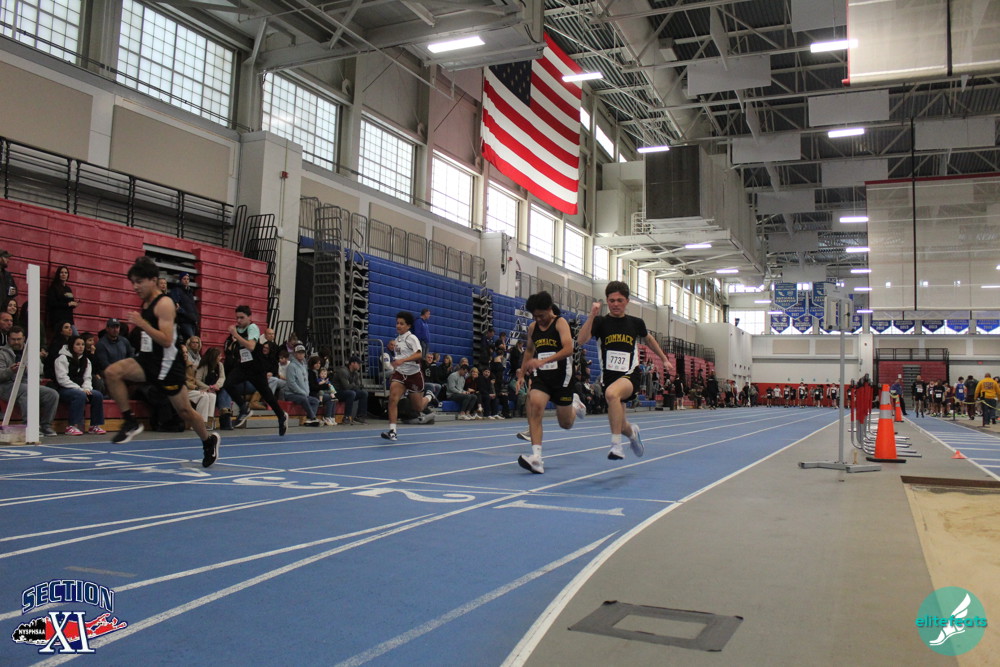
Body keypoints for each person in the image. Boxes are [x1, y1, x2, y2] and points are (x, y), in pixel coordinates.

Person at [102, 257, 220, 465]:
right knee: (112, 372)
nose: (135, 287)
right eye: (133, 282)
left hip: (168, 367)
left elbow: (166, 340)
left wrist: (142, 324)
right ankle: (129, 421)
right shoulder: (147, 302)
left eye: (139, 282)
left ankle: (208, 440)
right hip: (148, 360)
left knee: (184, 411)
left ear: (153, 280)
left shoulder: (164, 304)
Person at [577, 281, 672, 462]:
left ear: (627, 301)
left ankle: (616, 445)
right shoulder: (600, 322)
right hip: (609, 377)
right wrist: (592, 315)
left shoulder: (635, 323)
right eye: (611, 301)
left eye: (619, 300)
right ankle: (632, 433)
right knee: (620, 424)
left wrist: (664, 359)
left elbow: (649, 340)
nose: (615, 304)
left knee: (612, 394)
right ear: (607, 301)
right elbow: (581, 340)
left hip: (629, 374)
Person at [514, 291, 585, 474]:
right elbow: (529, 351)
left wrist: (544, 360)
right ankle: (536, 458)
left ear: (549, 309)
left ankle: (575, 405)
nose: (539, 320)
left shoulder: (560, 323)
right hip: (542, 376)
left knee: (566, 424)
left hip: (562, 377)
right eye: (535, 316)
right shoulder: (533, 328)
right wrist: (521, 374)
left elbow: (568, 349)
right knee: (535, 404)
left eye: (541, 315)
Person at [222, 305, 287, 435]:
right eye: (237, 318)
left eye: (242, 317)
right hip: (243, 365)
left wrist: (235, 335)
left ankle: (281, 416)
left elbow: (251, 346)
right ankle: (244, 407)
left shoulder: (253, 328)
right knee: (228, 384)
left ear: (249, 317)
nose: (239, 320)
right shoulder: (237, 329)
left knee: (267, 394)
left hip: (256, 367)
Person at [381, 311, 432, 441]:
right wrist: (396, 367)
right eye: (397, 323)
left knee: (418, 407)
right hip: (400, 374)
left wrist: (403, 360)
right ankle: (392, 431)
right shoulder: (397, 340)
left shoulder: (412, 338)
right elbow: (399, 357)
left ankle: (429, 396)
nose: (398, 326)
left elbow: (419, 354)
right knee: (392, 399)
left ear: (408, 326)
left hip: (414, 375)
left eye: (402, 324)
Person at [0, 326, 59, 436]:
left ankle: (46, 425)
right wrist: (10, 370)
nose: (16, 342)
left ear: (24, 339)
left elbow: (40, 371)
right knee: (27, 391)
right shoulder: (1, 353)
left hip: (27, 383)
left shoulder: (31, 352)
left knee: (52, 394)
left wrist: (27, 369)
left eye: (19, 339)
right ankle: (29, 426)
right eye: (13, 339)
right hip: (6, 386)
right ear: (8, 339)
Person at [283, 345, 321, 426]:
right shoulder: (291, 366)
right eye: (299, 353)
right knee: (304, 399)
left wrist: (306, 392)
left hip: (302, 394)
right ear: (295, 354)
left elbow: (305, 381)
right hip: (290, 394)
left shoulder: (304, 366)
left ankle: (309, 420)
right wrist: (302, 392)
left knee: (315, 401)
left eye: (302, 353)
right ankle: (313, 418)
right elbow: (291, 383)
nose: (301, 355)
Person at [181, 342, 216, 429]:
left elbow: (195, 380)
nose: (185, 354)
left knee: (211, 395)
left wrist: (203, 388)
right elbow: (183, 381)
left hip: (191, 389)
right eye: (183, 352)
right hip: (182, 390)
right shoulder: (178, 365)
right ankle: (198, 423)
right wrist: (196, 388)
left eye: (186, 352)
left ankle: (207, 422)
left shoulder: (189, 364)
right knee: (204, 396)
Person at [196, 347, 230, 429]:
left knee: (226, 390)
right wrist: (208, 387)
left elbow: (222, 377)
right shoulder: (203, 365)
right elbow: (197, 380)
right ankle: (221, 418)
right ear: (213, 357)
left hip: (216, 388)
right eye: (219, 356)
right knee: (212, 395)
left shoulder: (220, 365)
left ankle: (225, 412)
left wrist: (217, 385)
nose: (220, 358)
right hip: (205, 388)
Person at [332, 355, 369, 425]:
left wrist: (353, 385)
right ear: (352, 363)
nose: (360, 365)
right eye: (358, 363)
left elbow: (358, 386)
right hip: (337, 392)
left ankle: (360, 417)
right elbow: (346, 387)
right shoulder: (343, 371)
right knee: (351, 393)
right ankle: (346, 417)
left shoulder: (355, 373)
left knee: (364, 393)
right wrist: (353, 385)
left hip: (347, 391)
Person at [45, 265, 78, 335]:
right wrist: (68, 304)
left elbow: (71, 302)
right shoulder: (53, 288)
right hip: (58, 320)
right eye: (61, 272)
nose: (64, 274)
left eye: (66, 273)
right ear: (58, 274)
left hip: (69, 320)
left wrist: (74, 304)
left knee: (75, 337)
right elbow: (52, 303)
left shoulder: (68, 289)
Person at [169, 272, 199, 341]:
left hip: (192, 321)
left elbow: (192, 306)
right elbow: (176, 305)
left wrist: (196, 318)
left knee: (193, 342)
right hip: (184, 321)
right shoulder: (176, 290)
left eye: (188, 279)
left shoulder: (189, 292)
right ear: (180, 280)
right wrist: (184, 313)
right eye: (184, 279)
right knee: (191, 341)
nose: (186, 280)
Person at [308, 355, 337, 426]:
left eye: (319, 363)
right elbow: (313, 387)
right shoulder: (310, 373)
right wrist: (325, 386)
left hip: (320, 391)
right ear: (312, 364)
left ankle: (332, 417)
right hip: (313, 393)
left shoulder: (318, 372)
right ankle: (327, 417)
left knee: (333, 398)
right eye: (316, 363)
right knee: (329, 398)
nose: (318, 365)